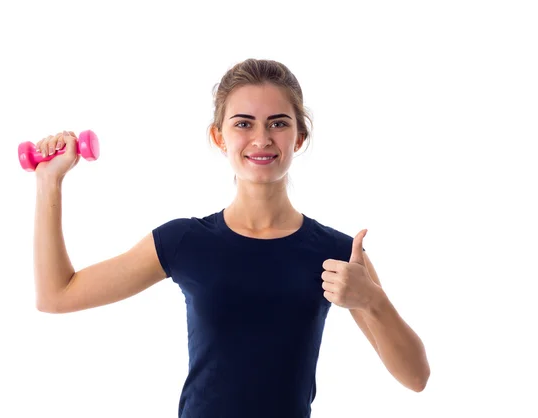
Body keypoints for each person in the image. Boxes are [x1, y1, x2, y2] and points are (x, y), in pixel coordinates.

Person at [33, 58, 430, 418]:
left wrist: (373, 300)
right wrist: (49, 183)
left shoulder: (338, 254)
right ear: (219, 137)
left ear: (300, 138)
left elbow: (416, 377)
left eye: (278, 122)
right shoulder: (184, 241)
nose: (261, 139)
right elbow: (57, 295)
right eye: (243, 123)